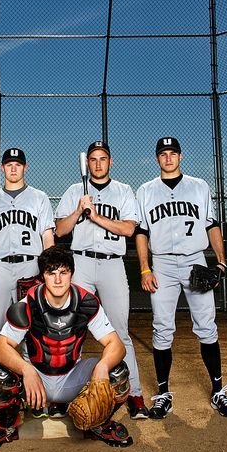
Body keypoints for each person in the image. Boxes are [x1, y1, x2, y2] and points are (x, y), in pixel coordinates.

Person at [0, 246, 133, 450]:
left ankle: (100, 423)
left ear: (71, 274)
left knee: (117, 370)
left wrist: (102, 367)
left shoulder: (86, 302)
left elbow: (117, 345)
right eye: (51, 273)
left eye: (63, 272)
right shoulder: (28, 304)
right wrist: (27, 370)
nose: (58, 280)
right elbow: (0, 348)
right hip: (36, 381)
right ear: (43, 276)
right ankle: (5, 426)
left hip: (72, 379)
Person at [135, 136, 227, 419]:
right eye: (163, 154)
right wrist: (145, 268)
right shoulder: (145, 191)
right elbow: (141, 232)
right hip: (163, 265)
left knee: (207, 326)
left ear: (181, 157)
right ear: (157, 159)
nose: (168, 158)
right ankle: (162, 394)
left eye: (173, 153)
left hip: (195, 261)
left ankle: (218, 391)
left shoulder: (199, 186)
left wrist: (221, 262)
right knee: (161, 328)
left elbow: (211, 224)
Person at [54, 141, 148, 420]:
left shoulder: (123, 191)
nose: (97, 163)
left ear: (111, 162)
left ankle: (134, 393)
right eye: (93, 159)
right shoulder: (74, 191)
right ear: (88, 164)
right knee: (73, 330)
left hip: (112, 264)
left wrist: (94, 215)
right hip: (80, 263)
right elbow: (60, 230)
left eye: (102, 159)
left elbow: (129, 229)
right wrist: (78, 211)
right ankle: (65, 393)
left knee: (119, 331)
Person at [0, 148, 55, 416]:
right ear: (2, 168)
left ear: (25, 167)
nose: (13, 168)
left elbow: (47, 237)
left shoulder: (39, 198)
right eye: (9, 164)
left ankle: (35, 396)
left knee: (33, 334)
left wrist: (48, 272)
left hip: (31, 266)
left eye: (18, 164)